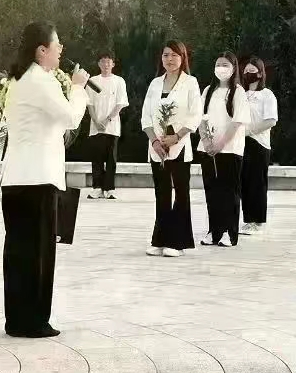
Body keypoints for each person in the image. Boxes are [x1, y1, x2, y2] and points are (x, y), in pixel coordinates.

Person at [0, 23, 89, 338]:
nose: (61, 49)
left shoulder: (18, 79)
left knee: (18, 253)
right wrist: (78, 88)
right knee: (37, 253)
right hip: (37, 178)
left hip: (16, 177)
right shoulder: (40, 80)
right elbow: (71, 117)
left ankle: (17, 319)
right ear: (42, 50)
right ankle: (33, 321)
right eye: (57, 44)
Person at [141, 41, 202, 257]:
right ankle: (159, 239)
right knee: (162, 194)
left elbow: (195, 115)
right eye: (166, 55)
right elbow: (146, 116)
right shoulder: (155, 84)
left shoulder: (190, 83)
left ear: (183, 58)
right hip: (157, 148)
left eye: (175, 55)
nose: (170, 59)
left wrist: (176, 136)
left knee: (181, 193)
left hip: (179, 146)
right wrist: (155, 142)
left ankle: (178, 242)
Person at [197, 52, 251, 248]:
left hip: (230, 149)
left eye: (225, 64)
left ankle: (230, 232)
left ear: (233, 68)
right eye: (218, 64)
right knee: (212, 191)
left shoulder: (238, 92)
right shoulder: (208, 90)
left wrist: (220, 144)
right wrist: (206, 141)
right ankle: (214, 231)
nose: (221, 68)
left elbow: (237, 122)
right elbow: (200, 118)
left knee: (229, 192)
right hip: (207, 149)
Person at [240, 57, 278, 235]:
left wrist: (249, 131)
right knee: (245, 182)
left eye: (252, 71)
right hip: (241, 143)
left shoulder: (266, 94)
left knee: (257, 183)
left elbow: (271, 120)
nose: (248, 74)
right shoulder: (240, 94)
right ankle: (248, 220)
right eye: (246, 71)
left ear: (260, 73)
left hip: (259, 144)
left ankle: (258, 221)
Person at [86, 52, 129, 200]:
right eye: (103, 62)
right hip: (96, 127)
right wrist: (96, 121)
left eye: (108, 62)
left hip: (112, 127)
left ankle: (110, 189)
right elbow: (89, 104)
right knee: (96, 158)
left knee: (111, 159)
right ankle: (97, 188)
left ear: (113, 64)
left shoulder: (119, 81)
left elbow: (120, 103)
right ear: (99, 64)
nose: (106, 65)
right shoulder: (92, 81)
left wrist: (107, 120)